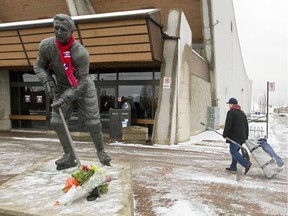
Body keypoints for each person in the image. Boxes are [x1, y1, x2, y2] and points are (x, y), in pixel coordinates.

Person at [34, 14, 111, 170]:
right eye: (56, 28)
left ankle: (101, 150)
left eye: (63, 29)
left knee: (92, 122)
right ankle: (69, 155)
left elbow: (83, 81)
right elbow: (39, 66)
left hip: (83, 87)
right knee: (56, 122)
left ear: (71, 31)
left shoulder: (80, 53)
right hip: (62, 86)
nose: (59, 32)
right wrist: (47, 80)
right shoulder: (46, 46)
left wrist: (67, 98)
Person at [223, 98, 252, 174]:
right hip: (242, 137)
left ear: (232, 104)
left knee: (233, 151)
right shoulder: (242, 113)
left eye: (229, 104)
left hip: (234, 137)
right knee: (236, 152)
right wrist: (245, 137)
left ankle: (246, 164)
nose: (228, 105)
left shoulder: (231, 112)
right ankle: (233, 167)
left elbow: (228, 125)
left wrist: (225, 134)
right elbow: (246, 125)